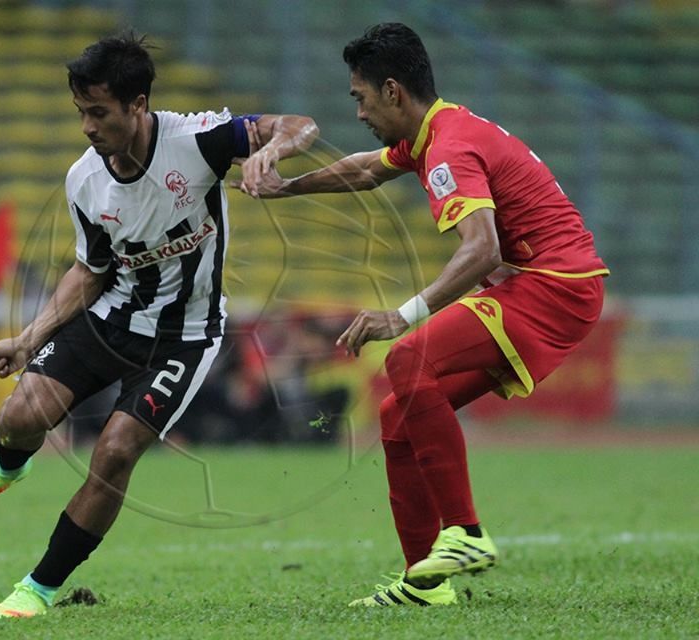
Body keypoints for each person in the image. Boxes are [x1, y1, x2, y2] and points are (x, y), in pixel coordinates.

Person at [0, 31, 318, 619]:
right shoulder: (84, 180)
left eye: (98, 112)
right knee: (19, 416)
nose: (87, 126)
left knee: (114, 451)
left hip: (184, 338)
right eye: (80, 112)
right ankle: (9, 465)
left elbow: (301, 123)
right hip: (111, 316)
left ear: (137, 105)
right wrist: (28, 337)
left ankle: (37, 588)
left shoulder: (199, 141)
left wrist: (271, 152)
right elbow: (90, 271)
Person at [240, 23, 608, 607]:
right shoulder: (437, 130)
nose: (358, 113)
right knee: (396, 413)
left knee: (409, 355)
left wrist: (401, 315)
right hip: (555, 284)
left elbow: (482, 248)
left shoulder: (449, 148)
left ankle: (464, 532)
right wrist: (288, 188)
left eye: (360, 98)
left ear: (392, 91)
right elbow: (365, 169)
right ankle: (424, 584)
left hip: (552, 285)